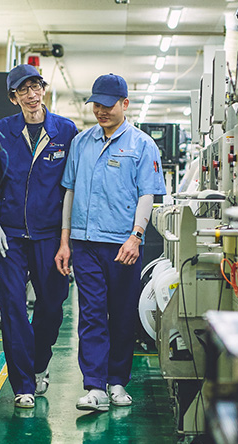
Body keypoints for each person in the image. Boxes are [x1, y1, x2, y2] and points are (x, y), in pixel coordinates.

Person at [55, 73, 166, 412]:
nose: (101, 111)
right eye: (96, 105)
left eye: (108, 105)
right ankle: (94, 386)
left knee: (121, 314)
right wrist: (65, 241)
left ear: (124, 104)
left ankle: (117, 381)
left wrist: (136, 236)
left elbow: (147, 194)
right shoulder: (81, 142)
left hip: (122, 244)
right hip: (85, 242)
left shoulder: (142, 144)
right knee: (91, 314)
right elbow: (70, 191)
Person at [0, 64, 78, 409]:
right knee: (13, 308)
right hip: (12, 237)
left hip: (50, 236)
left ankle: (39, 363)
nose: (32, 95)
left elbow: (72, 186)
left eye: (36, 87)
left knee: (52, 305)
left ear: (43, 90)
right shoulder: (1, 132)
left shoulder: (65, 131)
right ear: (13, 97)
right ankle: (23, 384)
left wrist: (68, 237)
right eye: (24, 90)